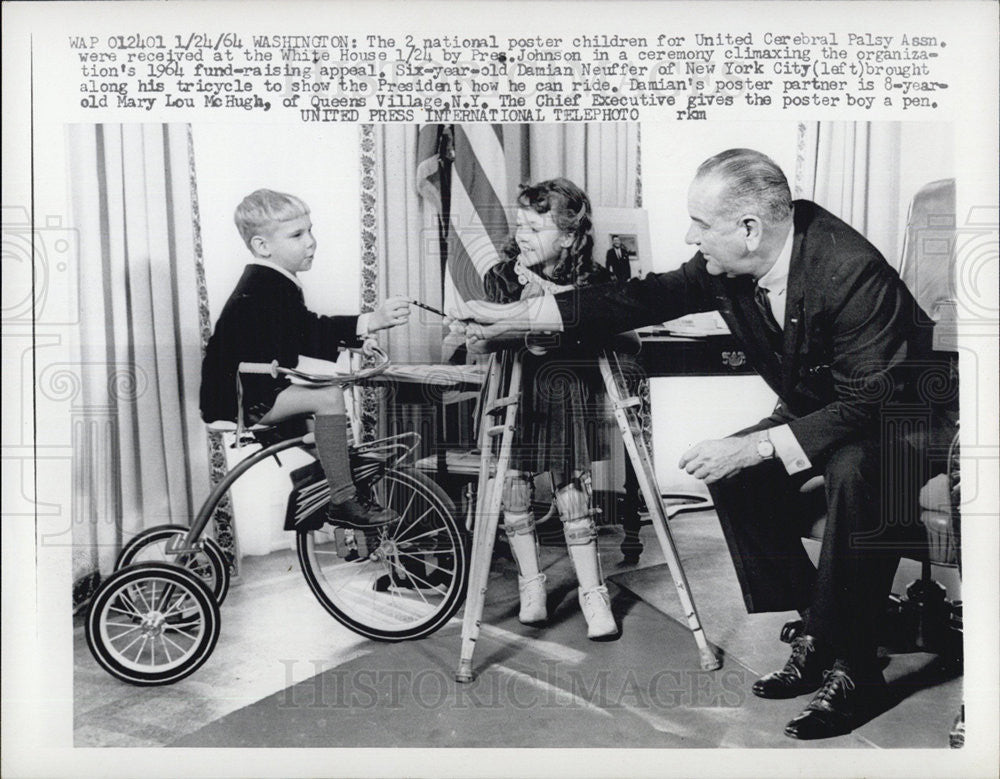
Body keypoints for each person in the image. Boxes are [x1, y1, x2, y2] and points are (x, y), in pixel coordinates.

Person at [461, 149, 943, 739]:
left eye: (700, 224)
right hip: (835, 408)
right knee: (731, 472)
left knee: (850, 467)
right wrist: (527, 314)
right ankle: (822, 631)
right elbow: (643, 297)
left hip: (908, 418)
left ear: (749, 229)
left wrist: (757, 446)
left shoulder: (850, 269)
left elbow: (869, 403)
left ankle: (857, 669)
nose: (691, 236)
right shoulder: (728, 263)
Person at [200, 188, 412, 529]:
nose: (311, 241)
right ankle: (343, 500)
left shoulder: (271, 280)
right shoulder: (267, 285)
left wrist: (355, 342)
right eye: (297, 234)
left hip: (251, 387)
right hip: (239, 398)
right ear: (262, 246)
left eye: (310, 230)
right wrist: (370, 320)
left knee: (326, 431)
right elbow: (306, 330)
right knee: (327, 397)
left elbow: (295, 333)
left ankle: (322, 482)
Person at [480, 178, 618, 640]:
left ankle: (592, 592)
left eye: (535, 228)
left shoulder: (594, 281)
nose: (522, 234)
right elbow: (492, 333)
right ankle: (531, 584)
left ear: (569, 236)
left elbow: (607, 331)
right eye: (519, 224)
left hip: (564, 394)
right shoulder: (502, 278)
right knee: (515, 490)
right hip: (516, 393)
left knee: (571, 493)